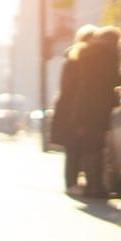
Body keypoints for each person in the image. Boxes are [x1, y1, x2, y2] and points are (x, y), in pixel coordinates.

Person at [71, 25, 121, 198]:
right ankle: (97, 186)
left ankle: (92, 185)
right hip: (98, 108)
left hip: (85, 107)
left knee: (89, 148)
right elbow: (111, 79)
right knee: (97, 148)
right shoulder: (107, 54)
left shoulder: (88, 53)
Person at [50, 25, 95, 194]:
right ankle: (71, 184)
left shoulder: (73, 59)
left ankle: (73, 182)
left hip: (69, 109)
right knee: (73, 147)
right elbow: (71, 89)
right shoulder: (76, 60)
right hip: (71, 110)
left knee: (75, 147)